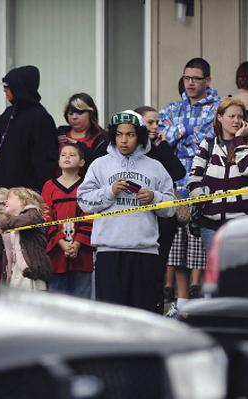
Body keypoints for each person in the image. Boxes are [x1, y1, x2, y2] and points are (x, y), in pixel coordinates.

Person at [78, 110, 176, 314]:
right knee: (111, 317)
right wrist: (110, 191)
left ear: (139, 135)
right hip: (109, 252)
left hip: (145, 253)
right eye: (119, 134)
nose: (124, 140)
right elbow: (84, 201)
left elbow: (171, 207)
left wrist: (154, 198)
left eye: (130, 134)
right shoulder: (99, 165)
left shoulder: (156, 167)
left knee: (144, 314)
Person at [159, 57, 221, 305]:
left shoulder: (220, 108)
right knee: (177, 251)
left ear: (207, 80)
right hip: (175, 186)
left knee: (202, 251)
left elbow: (209, 141)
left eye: (196, 78)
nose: (191, 83)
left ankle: (206, 303)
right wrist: (186, 131)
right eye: (187, 78)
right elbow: (163, 139)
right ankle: (180, 304)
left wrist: (179, 132)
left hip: (204, 184)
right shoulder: (172, 108)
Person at [188, 97, 248, 251]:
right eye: (231, 116)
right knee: (216, 271)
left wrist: (239, 140)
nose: (236, 120)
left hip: (243, 224)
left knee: (241, 270)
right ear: (220, 117)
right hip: (211, 225)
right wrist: (203, 202)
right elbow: (194, 179)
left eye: (240, 116)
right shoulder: (208, 144)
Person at [134, 106, 186, 305]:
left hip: (163, 221)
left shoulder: (159, 148)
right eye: (150, 122)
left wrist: (162, 146)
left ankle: (155, 305)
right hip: (139, 220)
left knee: (158, 269)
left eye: (158, 123)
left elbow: (178, 172)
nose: (155, 127)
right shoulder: (133, 153)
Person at [0, 65, 59, 192]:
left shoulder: (40, 118)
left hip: (27, 190)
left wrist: (40, 189)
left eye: (7, 87)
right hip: (1, 187)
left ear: (19, 88)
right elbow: (0, 148)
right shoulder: (8, 114)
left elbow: (45, 159)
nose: (4, 91)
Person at [42, 143, 94, 298]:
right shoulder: (49, 186)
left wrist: (77, 243)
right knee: (57, 302)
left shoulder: (87, 185)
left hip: (82, 253)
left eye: (72, 155)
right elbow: (46, 218)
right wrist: (61, 242)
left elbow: (90, 215)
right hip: (56, 254)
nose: (67, 157)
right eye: (63, 155)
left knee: (81, 302)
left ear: (82, 162)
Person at [0, 187, 51, 291]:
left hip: (31, 272)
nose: (6, 201)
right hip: (13, 272)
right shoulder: (6, 223)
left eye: (9, 198)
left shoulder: (33, 214)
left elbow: (29, 219)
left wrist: (1, 225)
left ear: (22, 201)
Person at [57, 93, 108, 171]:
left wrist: (79, 147)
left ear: (91, 114)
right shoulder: (58, 134)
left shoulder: (103, 139)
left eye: (79, 113)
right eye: (70, 113)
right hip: (56, 181)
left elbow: (101, 167)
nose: (74, 117)